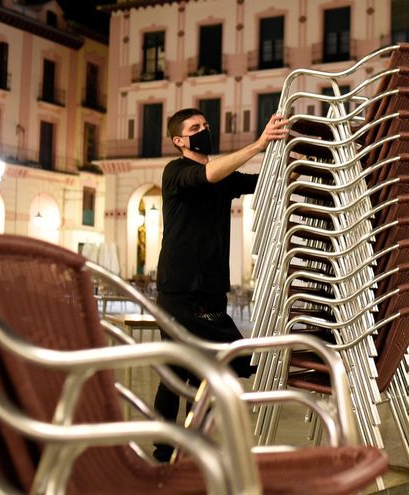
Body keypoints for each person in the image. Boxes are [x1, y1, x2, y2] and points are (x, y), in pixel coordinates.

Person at [152, 108, 288, 462]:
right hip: (178, 290)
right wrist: (259, 143)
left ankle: (193, 445)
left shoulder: (223, 179)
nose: (204, 130)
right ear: (179, 140)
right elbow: (207, 174)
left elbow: (263, 182)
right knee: (179, 370)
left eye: (206, 125)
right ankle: (166, 449)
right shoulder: (175, 172)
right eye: (195, 127)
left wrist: (292, 159)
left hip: (212, 289)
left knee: (202, 373)